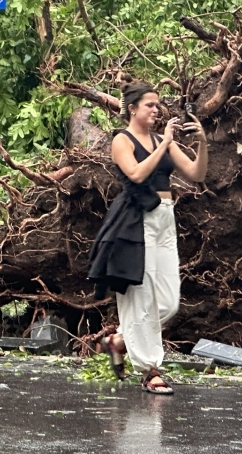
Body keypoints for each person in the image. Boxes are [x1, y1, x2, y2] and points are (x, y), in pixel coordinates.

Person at [88, 83, 208, 395]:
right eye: (150, 105)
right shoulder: (121, 140)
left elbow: (196, 173)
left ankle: (118, 341)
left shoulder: (160, 140)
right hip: (135, 220)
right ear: (132, 108)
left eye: (157, 105)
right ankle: (150, 369)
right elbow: (137, 174)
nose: (156, 111)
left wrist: (203, 143)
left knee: (168, 302)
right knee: (140, 299)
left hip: (165, 218)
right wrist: (164, 143)